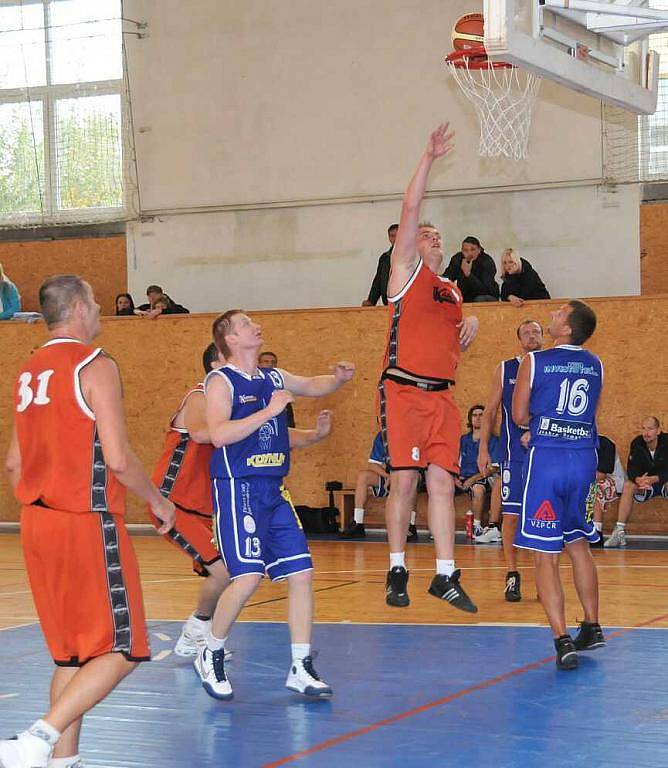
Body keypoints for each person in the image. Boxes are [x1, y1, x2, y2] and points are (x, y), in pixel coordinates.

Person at [1, 275, 175, 768]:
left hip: (36, 527)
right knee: (126, 649)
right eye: (96, 302)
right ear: (78, 308)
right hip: (85, 522)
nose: (100, 310)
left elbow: (14, 463)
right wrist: (159, 502)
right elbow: (117, 459)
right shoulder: (94, 365)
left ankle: (61, 761)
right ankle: (36, 740)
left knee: (70, 658)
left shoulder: (29, 369)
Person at [195, 309, 354, 700]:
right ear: (230, 338)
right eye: (247, 324)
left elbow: (312, 385)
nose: (256, 327)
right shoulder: (220, 382)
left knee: (301, 574)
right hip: (238, 489)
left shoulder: (274, 378)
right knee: (247, 577)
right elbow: (217, 435)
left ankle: (300, 666)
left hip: (274, 490)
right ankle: (209, 651)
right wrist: (269, 412)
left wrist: (336, 379)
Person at [153, 341, 334, 657]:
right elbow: (200, 433)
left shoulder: (238, 404)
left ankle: (195, 632)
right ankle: (199, 632)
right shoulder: (200, 396)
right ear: (216, 366)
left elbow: (270, 434)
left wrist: (312, 435)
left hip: (210, 507)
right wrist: (246, 422)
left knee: (225, 573)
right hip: (173, 504)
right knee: (224, 570)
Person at [379, 124, 479, 613]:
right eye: (427, 236)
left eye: (440, 237)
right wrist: (429, 157)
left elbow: (453, 330)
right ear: (411, 246)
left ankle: (445, 574)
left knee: (442, 483)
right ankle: (397, 565)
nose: (435, 239)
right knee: (405, 481)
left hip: (443, 395)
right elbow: (410, 208)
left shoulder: (454, 291)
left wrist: (474, 319)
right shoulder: (406, 273)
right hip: (405, 391)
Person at [513, 300, 605, 670]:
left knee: (544, 555)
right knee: (579, 544)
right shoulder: (596, 363)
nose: (551, 316)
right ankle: (593, 625)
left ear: (567, 328)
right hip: (584, 460)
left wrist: (538, 424)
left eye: (558, 314)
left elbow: (519, 415)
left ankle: (562, 638)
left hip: (548, 460)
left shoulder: (535, 361)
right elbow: (589, 414)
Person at [476, 319, 545, 601]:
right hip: (513, 455)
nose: (531, 335)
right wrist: (483, 450)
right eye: (526, 332)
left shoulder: (551, 366)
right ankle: (512, 574)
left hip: (544, 455)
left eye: (536, 331)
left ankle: (544, 577)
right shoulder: (506, 369)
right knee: (512, 517)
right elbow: (490, 412)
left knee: (544, 518)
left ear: (543, 337)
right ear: (519, 339)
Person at [339, 431, 422, 541]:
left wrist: (397, 477)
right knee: (363, 476)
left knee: (413, 479)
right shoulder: (382, 436)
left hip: (409, 475)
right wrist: (388, 476)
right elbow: (373, 464)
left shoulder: (412, 433)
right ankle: (358, 523)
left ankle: (410, 525)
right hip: (390, 476)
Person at [604, 417, 668, 548]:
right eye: (643, 428)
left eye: (650, 429)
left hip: (663, 481)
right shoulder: (637, 443)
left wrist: (655, 478)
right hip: (645, 484)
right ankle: (619, 531)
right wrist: (638, 479)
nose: (646, 433)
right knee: (628, 485)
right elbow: (632, 469)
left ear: (659, 431)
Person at [457, 404, 499, 537]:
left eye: (481, 415)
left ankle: (476, 526)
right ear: (470, 419)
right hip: (462, 478)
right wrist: (455, 478)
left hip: (482, 477)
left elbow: (493, 468)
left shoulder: (493, 441)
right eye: (474, 415)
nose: (478, 418)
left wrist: (473, 479)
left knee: (478, 489)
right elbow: (454, 462)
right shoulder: (463, 440)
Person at [589, 434, 625, 548]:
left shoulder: (606, 443)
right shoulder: (576, 444)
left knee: (596, 486)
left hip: (614, 480)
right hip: (587, 479)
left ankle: (597, 532)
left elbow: (601, 475)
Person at [444, 236, 499, 303]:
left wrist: (468, 274)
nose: (469, 253)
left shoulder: (487, 261)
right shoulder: (457, 259)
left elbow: (485, 290)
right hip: (464, 295)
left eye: (473, 249)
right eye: (466, 250)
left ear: (479, 250)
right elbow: (447, 278)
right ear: (462, 251)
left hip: (486, 296)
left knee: (480, 299)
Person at [362, 224, 399, 307]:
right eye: (392, 236)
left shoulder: (412, 257)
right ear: (389, 238)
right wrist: (371, 301)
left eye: (398, 235)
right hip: (388, 305)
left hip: (407, 305)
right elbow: (378, 281)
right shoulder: (385, 258)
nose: (395, 239)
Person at [259, 351, 295, 427]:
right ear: (258, 364)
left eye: (273, 362)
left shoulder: (282, 388)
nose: (270, 364)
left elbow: (289, 419)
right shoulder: (250, 384)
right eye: (266, 362)